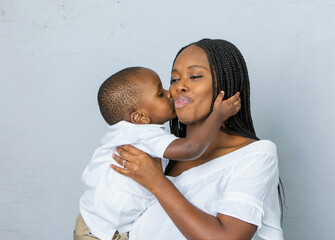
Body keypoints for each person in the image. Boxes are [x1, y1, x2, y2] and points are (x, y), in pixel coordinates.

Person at [111, 39, 284, 240]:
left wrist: (156, 183)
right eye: (174, 79)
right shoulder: (161, 158)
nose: (179, 87)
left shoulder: (256, 155)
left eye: (194, 76)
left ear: (226, 86)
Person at [74, 66, 241, 240]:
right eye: (160, 94)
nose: (170, 93)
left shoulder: (127, 133)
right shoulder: (143, 134)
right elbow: (191, 148)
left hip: (93, 221)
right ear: (140, 118)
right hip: (100, 232)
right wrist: (218, 115)